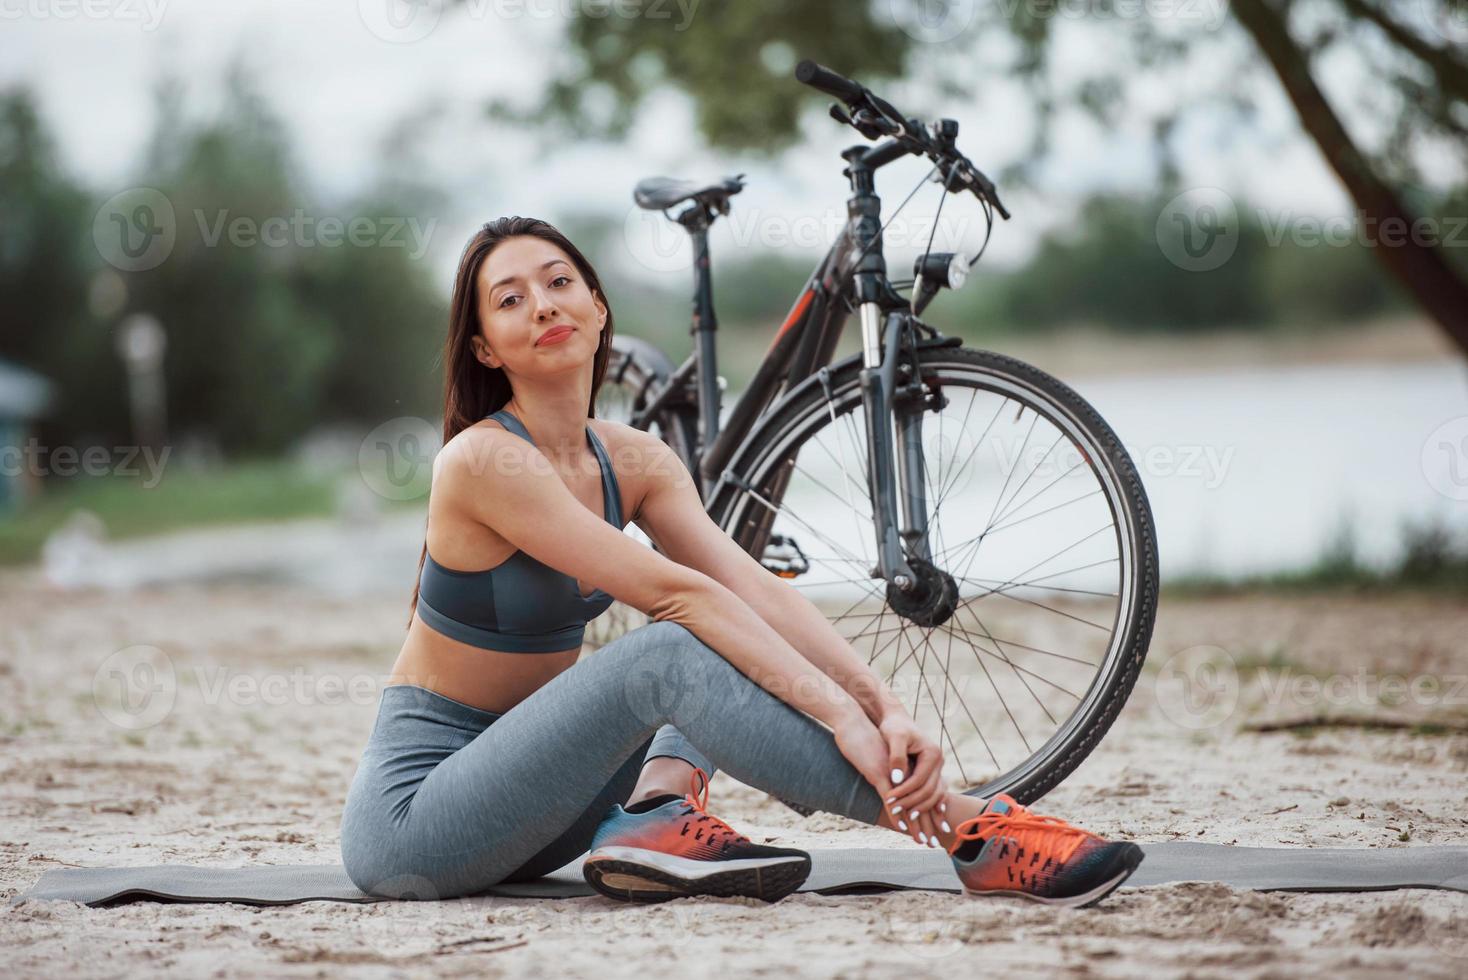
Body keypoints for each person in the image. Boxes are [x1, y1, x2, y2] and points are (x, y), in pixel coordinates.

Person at [337, 216, 1143, 908]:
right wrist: (838, 719)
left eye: (558, 282)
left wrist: (882, 706)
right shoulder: (484, 462)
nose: (542, 304)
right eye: (510, 299)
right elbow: (678, 595)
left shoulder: (636, 459)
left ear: (597, 303)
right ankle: (969, 829)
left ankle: (654, 812)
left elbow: (752, 588)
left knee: (723, 625)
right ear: (484, 347)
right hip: (420, 824)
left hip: (548, 801)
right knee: (667, 649)